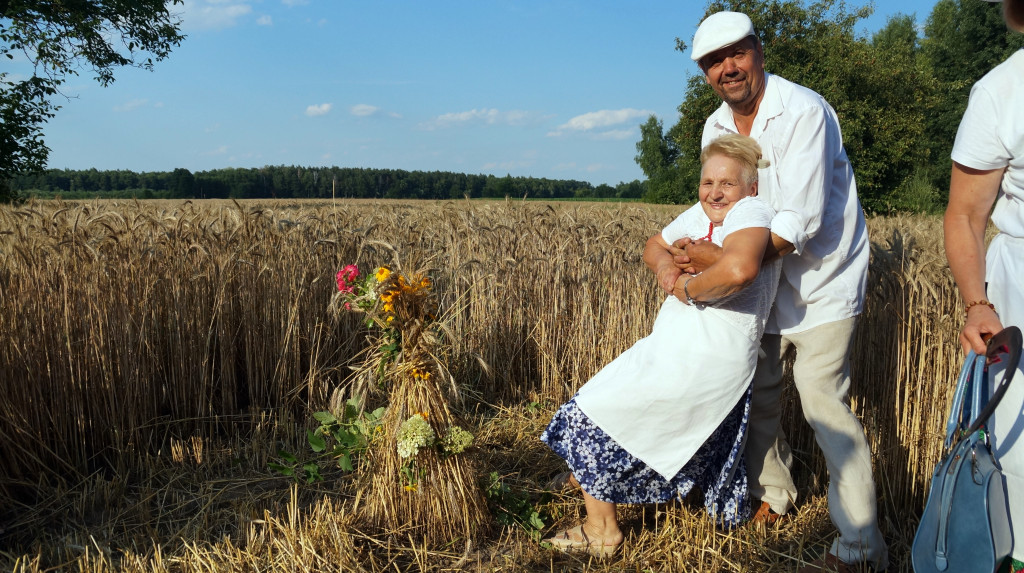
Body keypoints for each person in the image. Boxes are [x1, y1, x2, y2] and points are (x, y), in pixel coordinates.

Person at [676, 11, 888, 572]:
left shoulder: (803, 111)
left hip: (822, 279)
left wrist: (725, 267)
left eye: (737, 53)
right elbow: (715, 208)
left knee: (823, 402)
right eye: (714, 62)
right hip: (757, 285)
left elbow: (802, 219)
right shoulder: (714, 129)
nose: (729, 68)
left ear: (758, 51)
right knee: (759, 395)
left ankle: (861, 545)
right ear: (704, 73)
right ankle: (773, 496)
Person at [539, 134, 781, 557]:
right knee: (604, 409)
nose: (715, 192)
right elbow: (654, 245)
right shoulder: (701, 213)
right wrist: (669, 264)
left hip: (702, 358)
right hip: (673, 348)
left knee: (591, 414)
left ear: (751, 188)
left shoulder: (751, 213)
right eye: (707, 182)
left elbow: (740, 269)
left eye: (727, 183)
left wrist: (688, 287)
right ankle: (616, 500)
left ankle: (602, 532)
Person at [943, 0, 1024, 570]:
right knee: (1019, 444)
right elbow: (966, 215)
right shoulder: (1002, 92)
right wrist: (977, 303)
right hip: (1021, 281)